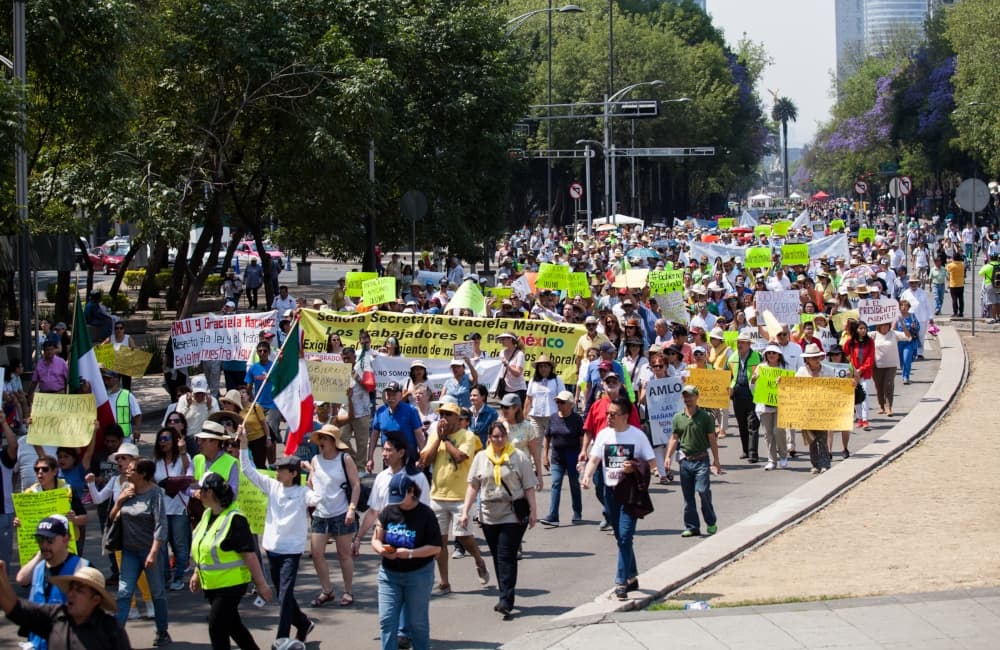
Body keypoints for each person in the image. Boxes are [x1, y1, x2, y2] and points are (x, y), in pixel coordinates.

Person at [238, 427, 316, 645]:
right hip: (272, 549)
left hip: (291, 552)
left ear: (293, 474)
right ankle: (302, 623)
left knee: (283, 596)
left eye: (281, 470)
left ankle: (281, 638)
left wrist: (315, 476)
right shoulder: (272, 486)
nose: (277, 472)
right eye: (277, 469)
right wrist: (244, 445)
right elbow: (248, 471)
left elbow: (316, 498)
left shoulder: (302, 493)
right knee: (285, 595)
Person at [581, 395, 656, 600]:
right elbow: (594, 459)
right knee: (619, 537)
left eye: (613, 415)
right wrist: (587, 476)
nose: (608, 418)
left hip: (630, 493)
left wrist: (634, 467)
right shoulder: (604, 435)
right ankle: (632, 576)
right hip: (610, 493)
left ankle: (621, 582)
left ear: (625, 416)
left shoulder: (637, 436)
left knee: (625, 536)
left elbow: (651, 462)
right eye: (607, 414)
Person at [459, 422, 537, 617]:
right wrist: (465, 511)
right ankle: (505, 593)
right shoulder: (481, 458)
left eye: (502, 436)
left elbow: (529, 487)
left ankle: (506, 599)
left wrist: (534, 512)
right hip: (488, 514)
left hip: (512, 513)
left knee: (505, 555)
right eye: (494, 437)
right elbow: (473, 486)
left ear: (507, 438)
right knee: (497, 555)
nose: (498, 440)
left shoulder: (518, 458)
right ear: (489, 438)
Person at [189, 472, 272, 650]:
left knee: (216, 627)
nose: (197, 494)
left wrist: (262, 585)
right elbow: (203, 547)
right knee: (233, 626)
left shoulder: (235, 519)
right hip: (212, 584)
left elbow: (249, 555)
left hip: (231, 584)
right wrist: (196, 573)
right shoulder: (207, 515)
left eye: (200, 490)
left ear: (210, 492)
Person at [418, 402, 488, 596]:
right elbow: (426, 460)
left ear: (458, 418)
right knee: (439, 544)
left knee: (464, 537)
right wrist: (437, 439)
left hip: (461, 497)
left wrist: (445, 439)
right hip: (438, 495)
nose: (444, 418)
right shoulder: (436, 435)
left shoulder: (468, 436)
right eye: (442, 414)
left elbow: (459, 457)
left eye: (448, 414)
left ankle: (478, 559)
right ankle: (445, 583)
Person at [85, 443, 156, 621]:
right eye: (118, 459)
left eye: (124, 458)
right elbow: (98, 499)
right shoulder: (115, 480)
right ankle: (130, 607)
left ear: (134, 461)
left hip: (139, 532)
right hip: (120, 531)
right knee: (124, 573)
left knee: (141, 573)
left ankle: (149, 603)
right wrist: (91, 484)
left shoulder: (142, 482)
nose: (120, 462)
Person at [371, 473, 442, 650]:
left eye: (401, 497)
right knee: (387, 621)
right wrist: (381, 549)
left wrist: (410, 553)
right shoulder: (388, 511)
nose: (398, 502)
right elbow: (376, 539)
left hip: (418, 575)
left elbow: (436, 548)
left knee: (417, 623)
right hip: (389, 575)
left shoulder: (426, 514)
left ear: (411, 492)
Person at [108, 458, 170, 646]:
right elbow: (112, 518)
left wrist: (153, 553)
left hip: (150, 551)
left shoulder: (155, 493)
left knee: (157, 592)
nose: (127, 471)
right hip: (130, 551)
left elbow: (161, 525)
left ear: (143, 474)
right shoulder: (127, 489)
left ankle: (162, 631)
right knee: (124, 592)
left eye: (132, 469)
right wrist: (119, 502)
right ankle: (117, 636)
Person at [0, 562, 132, 650]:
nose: (72, 594)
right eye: (71, 589)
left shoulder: (111, 629)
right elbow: (15, 609)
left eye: (79, 591)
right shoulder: (54, 616)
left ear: (95, 600)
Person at [14, 515, 90, 650]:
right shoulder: (38, 568)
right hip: (39, 643)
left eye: (50, 540)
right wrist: (40, 554)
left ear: (66, 539)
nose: (44, 545)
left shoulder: (83, 568)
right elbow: (21, 579)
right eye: (40, 539)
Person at [306, 425, 360, 608]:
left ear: (334, 442)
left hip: (341, 513)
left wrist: (351, 508)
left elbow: (356, 485)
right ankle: (327, 590)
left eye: (325, 438)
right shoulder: (315, 460)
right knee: (316, 553)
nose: (321, 442)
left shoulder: (344, 459)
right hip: (320, 513)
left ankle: (348, 591)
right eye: (320, 438)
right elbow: (311, 483)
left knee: (344, 555)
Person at [664, 385, 722, 538]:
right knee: (688, 496)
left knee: (702, 491)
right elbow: (674, 438)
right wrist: (668, 456)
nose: (687, 399)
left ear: (697, 397)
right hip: (685, 461)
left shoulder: (705, 417)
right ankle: (692, 526)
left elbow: (712, 439)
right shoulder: (678, 417)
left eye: (690, 396)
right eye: (685, 396)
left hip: (701, 460)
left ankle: (710, 521)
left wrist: (716, 460)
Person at [152, 427, 193, 592]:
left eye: (166, 438)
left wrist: (183, 452)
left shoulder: (184, 458)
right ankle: (165, 577)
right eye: (160, 439)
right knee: (161, 546)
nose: (163, 442)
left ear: (175, 440)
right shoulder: (156, 461)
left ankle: (178, 577)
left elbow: (188, 473)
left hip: (178, 509)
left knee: (180, 546)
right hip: (161, 509)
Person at [540, 390, 584, 526]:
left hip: (572, 456)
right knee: (555, 484)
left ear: (570, 404)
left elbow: (582, 438)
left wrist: (582, 456)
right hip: (557, 457)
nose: (559, 404)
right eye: (557, 402)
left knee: (574, 484)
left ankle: (577, 511)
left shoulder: (577, 419)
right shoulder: (553, 418)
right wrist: (545, 455)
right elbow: (547, 437)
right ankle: (553, 516)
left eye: (562, 402)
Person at [369, 382, 426, 472]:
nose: (391, 398)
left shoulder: (411, 410)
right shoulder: (380, 411)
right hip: (389, 460)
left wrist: (423, 457)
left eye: (394, 394)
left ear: (400, 395)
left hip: (409, 459)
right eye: (388, 394)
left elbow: (419, 435)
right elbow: (374, 436)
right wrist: (370, 457)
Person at [795, 344, 835, 474]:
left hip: (823, 408)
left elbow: (837, 387)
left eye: (817, 357)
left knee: (822, 437)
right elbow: (793, 386)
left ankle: (824, 463)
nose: (816, 360)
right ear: (807, 359)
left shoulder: (828, 371)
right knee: (811, 439)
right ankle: (815, 464)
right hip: (807, 409)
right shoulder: (801, 372)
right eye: (813, 357)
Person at [752, 344, 788, 471]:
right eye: (769, 353)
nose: (771, 355)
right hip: (764, 405)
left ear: (779, 355)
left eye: (774, 353)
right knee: (768, 433)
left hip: (780, 404)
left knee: (779, 431)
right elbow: (754, 386)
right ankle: (772, 460)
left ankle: (783, 456)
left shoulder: (784, 368)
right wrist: (754, 379)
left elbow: (791, 385)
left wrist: (783, 382)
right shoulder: (761, 368)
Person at [727, 330, 761, 463]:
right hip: (737, 393)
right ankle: (745, 450)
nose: (739, 345)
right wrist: (729, 387)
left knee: (753, 423)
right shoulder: (732, 358)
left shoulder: (757, 357)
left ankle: (753, 453)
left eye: (742, 343)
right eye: (738, 342)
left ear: (748, 344)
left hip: (752, 392)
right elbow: (726, 375)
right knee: (741, 423)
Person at [523, 354, 564, 443]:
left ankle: (550, 457)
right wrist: (524, 415)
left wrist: (562, 414)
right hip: (535, 417)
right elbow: (529, 398)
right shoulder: (533, 380)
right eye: (540, 366)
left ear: (550, 367)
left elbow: (563, 398)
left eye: (545, 366)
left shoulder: (557, 380)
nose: (543, 369)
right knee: (535, 443)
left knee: (555, 443)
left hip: (553, 417)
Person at [844, 321, 875, 431]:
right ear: (856, 330)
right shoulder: (851, 342)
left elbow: (870, 358)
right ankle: (859, 418)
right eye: (860, 328)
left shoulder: (870, 341)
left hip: (865, 373)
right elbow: (845, 352)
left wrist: (861, 370)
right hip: (853, 373)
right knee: (856, 396)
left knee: (865, 395)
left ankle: (866, 419)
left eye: (864, 328)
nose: (863, 330)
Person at [103, 369, 142, 443]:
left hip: (124, 438)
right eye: (105, 379)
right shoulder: (103, 396)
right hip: (108, 438)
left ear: (116, 379)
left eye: (109, 379)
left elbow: (137, 414)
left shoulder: (127, 395)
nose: (106, 382)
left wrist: (138, 429)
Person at [495, 332, 526, 405]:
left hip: (518, 390)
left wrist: (507, 365)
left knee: (517, 414)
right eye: (501, 339)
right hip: (505, 388)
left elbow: (518, 373)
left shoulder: (519, 354)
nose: (501, 341)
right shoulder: (502, 352)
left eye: (503, 339)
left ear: (510, 339)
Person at [103, 322, 136, 390]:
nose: (119, 330)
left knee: (127, 388)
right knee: (114, 388)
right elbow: (101, 347)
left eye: (121, 328)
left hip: (125, 367)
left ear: (124, 329)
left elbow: (133, 348)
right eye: (117, 328)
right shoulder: (111, 338)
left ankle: (126, 400)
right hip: (114, 367)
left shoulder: (128, 337)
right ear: (114, 330)